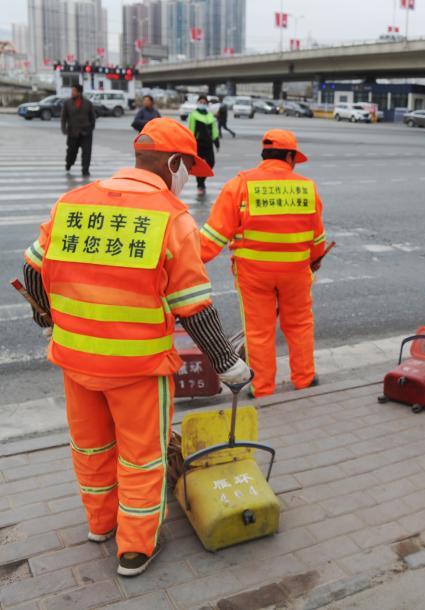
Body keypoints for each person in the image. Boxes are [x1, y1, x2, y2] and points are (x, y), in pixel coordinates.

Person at [21, 117, 251, 577]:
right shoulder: (171, 218)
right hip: (138, 368)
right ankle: (135, 549)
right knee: (142, 457)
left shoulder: (74, 202)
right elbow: (194, 308)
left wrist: (47, 320)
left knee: (90, 447)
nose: (188, 179)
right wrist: (229, 364)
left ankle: (101, 525)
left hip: (75, 360)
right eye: (188, 168)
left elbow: (32, 270)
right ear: (172, 163)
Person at [199, 130, 327, 398]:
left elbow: (212, 237)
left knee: (258, 331)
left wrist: (186, 263)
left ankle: (263, 388)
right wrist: (314, 260)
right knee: (300, 324)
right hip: (296, 272)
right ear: (290, 156)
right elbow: (317, 236)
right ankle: (304, 379)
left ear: (264, 155)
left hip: (253, 273)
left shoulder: (240, 185)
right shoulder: (307, 187)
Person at [187, 95, 219, 196]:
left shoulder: (210, 116)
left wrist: (216, 140)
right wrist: (190, 142)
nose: (202, 104)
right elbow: (191, 129)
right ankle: (200, 184)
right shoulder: (193, 115)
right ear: (197, 103)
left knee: (211, 163)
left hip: (208, 144)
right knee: (199, 165)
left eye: (204, 102)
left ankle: (202, 181)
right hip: (198, 143)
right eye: (201, 102)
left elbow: (214, 129)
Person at [61, 84, 95, 177]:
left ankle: (85, 169)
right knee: (71, 151)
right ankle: (69, 163)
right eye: (72, 91)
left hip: (86, 133)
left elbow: (92, 118)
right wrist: (64, 129)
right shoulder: (67, 103)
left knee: (87, 152)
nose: (72, 93)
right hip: (72, 132)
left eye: (74, 91)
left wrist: (90, 129)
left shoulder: (88, 103)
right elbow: (64, 117)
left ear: (79, 92)